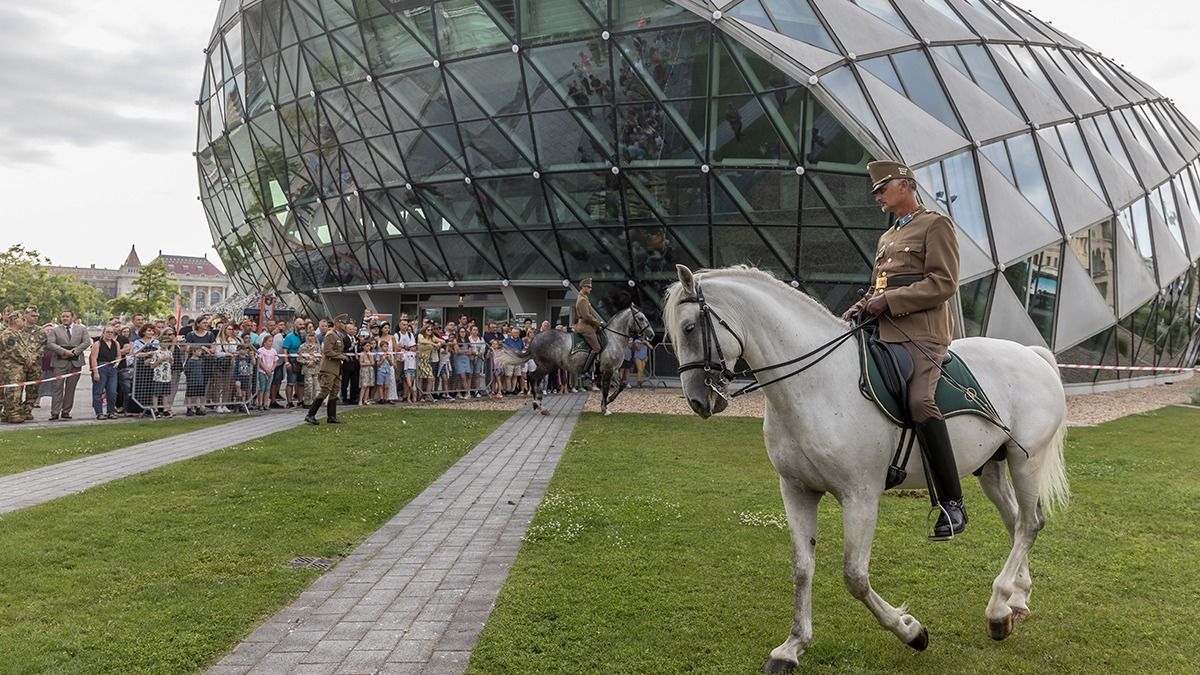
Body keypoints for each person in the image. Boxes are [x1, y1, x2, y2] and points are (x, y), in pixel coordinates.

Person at [841, 160, 964, 541]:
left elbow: (944, 283)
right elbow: (879, 286)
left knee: (919, 403)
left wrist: (890, 301)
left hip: (922, 336)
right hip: (882, 330)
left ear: (905, 185)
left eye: (882, 188)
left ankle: (951, 502)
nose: (877, 195)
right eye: (875, 190)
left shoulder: (935, 225)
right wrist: (863, 304)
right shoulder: (887, 237)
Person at [46, 309, 93, 421]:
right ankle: (55, 412)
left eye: (67, 316)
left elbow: (86, 342)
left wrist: (75, 351)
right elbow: (50, 343)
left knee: (70, 388)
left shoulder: (81, 329)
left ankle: (66, 411)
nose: (65, 318)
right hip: (59, 362)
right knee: (57, 387)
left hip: (76, 362)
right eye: (63, 316)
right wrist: (63, 351)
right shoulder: (55, 330)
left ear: (72, 317)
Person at [306, 313, 350, 425]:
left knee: (334, 391)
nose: (345, 325)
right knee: (325, 390)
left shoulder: (338, 335)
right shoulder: (330, 335)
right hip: (329, 367)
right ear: (337, 323)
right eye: (343, 323)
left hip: (336, 368)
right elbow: (328, 351)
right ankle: (310, 414)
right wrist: (342, 357)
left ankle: (331, 416)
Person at [573, 278, 605, 381]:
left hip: (589, 325)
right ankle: (585, 371)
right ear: (583, 287)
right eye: (589, 287)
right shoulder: (582, 299)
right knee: (596, 348)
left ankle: (597, 371)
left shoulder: (584, 298)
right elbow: (587, 316)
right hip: (586, 327)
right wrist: (599, 323)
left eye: (590, 287)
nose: (591, 289)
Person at [0, 309, 27, 424]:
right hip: (11, 367)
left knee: (16, 389)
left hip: (17, 367)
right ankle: (13, 414)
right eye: (22, 319)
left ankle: (9, 412)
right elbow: (14, 351)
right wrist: (27, 360)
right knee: (13, 390)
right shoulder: (8, 334)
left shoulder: (16, 333)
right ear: (16, 321)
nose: (24, 321)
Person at [89, 325, 121, 419]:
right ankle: (99, 412)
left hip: (112, 368)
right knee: (98, 391)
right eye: (107, 332)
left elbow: (118, 355)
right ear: (103, 333)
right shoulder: (97, 344)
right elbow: (93, 358)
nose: (109, 334)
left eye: (111, 332)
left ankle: (111, 411)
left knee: (112, 391)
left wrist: (117, 362)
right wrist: (95, 372)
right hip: (101, 367)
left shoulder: (116, 344)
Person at [20, 307, 44, 419]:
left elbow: (43, 346)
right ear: (25, 315)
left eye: (37, 316)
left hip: (35, 365)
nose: (35, 318)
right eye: (33, 315)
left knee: (33, 389)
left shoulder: (41, 331)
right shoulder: (18, 329)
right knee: (16, 389)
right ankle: (16, 410)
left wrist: (34, 356)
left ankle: (27, 410)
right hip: (20, 364)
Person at [298, 330, 322, 407]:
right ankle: (307, 402)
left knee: (316, 386)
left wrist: (314, 361)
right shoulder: (302, 346)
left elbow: (320, 356)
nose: (311, 338)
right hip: (307, 368)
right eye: (309, 336)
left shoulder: (317, 346)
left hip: (315, 368)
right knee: (308, 385)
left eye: (313, 336)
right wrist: (307, 362)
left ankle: (315, 402)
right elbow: (299, 358)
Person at [255, 334, 278, 411]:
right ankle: (260, 403)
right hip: (262, 371)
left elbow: (275, 361)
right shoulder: (261, 350)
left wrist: (271, 369)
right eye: (269, 341)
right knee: (262, 387)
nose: (271, 343)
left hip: (271, 372)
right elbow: (260, 361)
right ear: (264, 342)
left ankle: (265, 404)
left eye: (272, 341)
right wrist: (266, 369)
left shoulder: (274, 351)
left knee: (268, 388)